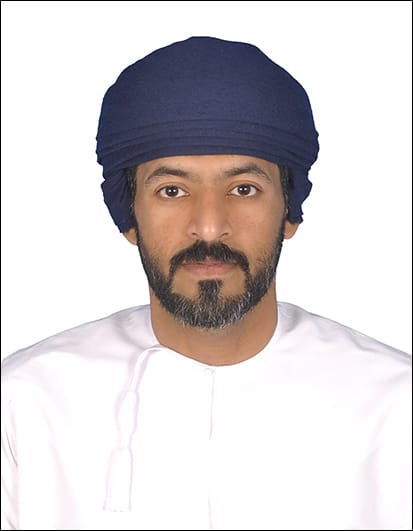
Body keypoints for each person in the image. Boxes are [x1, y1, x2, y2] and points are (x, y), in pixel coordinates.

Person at [1, 36, 411, 531]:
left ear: (289, 211)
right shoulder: (23, 405)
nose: (210, 227)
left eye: (244, 189)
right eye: (172, 190)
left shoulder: (396, 408)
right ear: (129, 216)